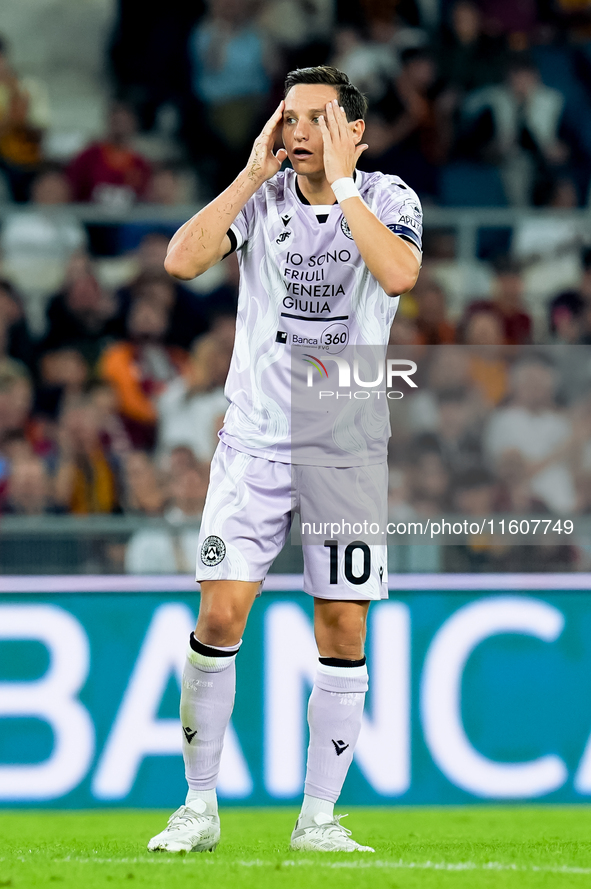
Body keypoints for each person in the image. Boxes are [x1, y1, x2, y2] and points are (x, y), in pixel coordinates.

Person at [147, 65, 421, 854]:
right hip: (255, 440)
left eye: (315, 119)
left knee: (340, 624)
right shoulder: (261, 200)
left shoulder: (392, 198)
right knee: (219, 614)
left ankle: (318, 818)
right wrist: (245, 174)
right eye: (288, 116)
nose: (295, 130)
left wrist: (344, 188)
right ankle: (198, 807)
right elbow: (181, 261)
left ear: (354, 133)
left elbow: (399, 273)